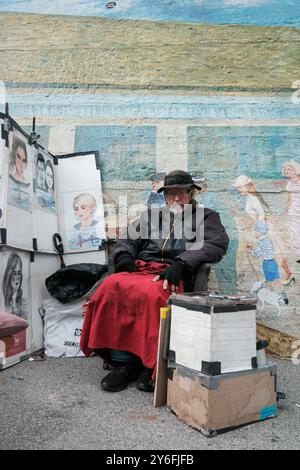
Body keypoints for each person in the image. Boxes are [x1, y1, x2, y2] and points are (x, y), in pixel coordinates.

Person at [80, 170, 229, 393]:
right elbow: (127, 240)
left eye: (182, 193)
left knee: (153, 294)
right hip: (142, 269)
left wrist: (182, 263)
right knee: (111, 287)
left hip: (174, 272)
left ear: (191, 193)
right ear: (165, 196)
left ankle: (150, 364)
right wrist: (124, 256)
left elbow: (216, 245)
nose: (176, 199)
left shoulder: (207, 217)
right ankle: (125, 363)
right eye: (171, 194)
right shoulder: (151, 216)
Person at [234, 175, 294, 285]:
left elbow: (261, 212)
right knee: (274, 252)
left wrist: (259, 227)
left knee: (276, 252)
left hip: (263, 228)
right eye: (238, 188)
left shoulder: (252, 198)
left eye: (240, 187)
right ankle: (282, 275)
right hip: (261, 227)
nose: (239, 190)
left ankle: (288, 274)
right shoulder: (250, 197)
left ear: (248, 186)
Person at [282, 161, 300, 262]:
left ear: (295, 170)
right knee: (295, 231)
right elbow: (290, 198)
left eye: (290, 169)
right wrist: (287, 209)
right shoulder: (289, 183)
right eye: (285, 169)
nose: (287, 171)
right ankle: (297, 253)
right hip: (293, 210)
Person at [2, 252, 27, 319]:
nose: (16, 277)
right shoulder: (4, 295)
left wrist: (16, 292)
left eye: (19, 273)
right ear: (9, 274)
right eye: (14, 273)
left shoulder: (22, 297)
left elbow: (25, 317)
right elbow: (7, 317)